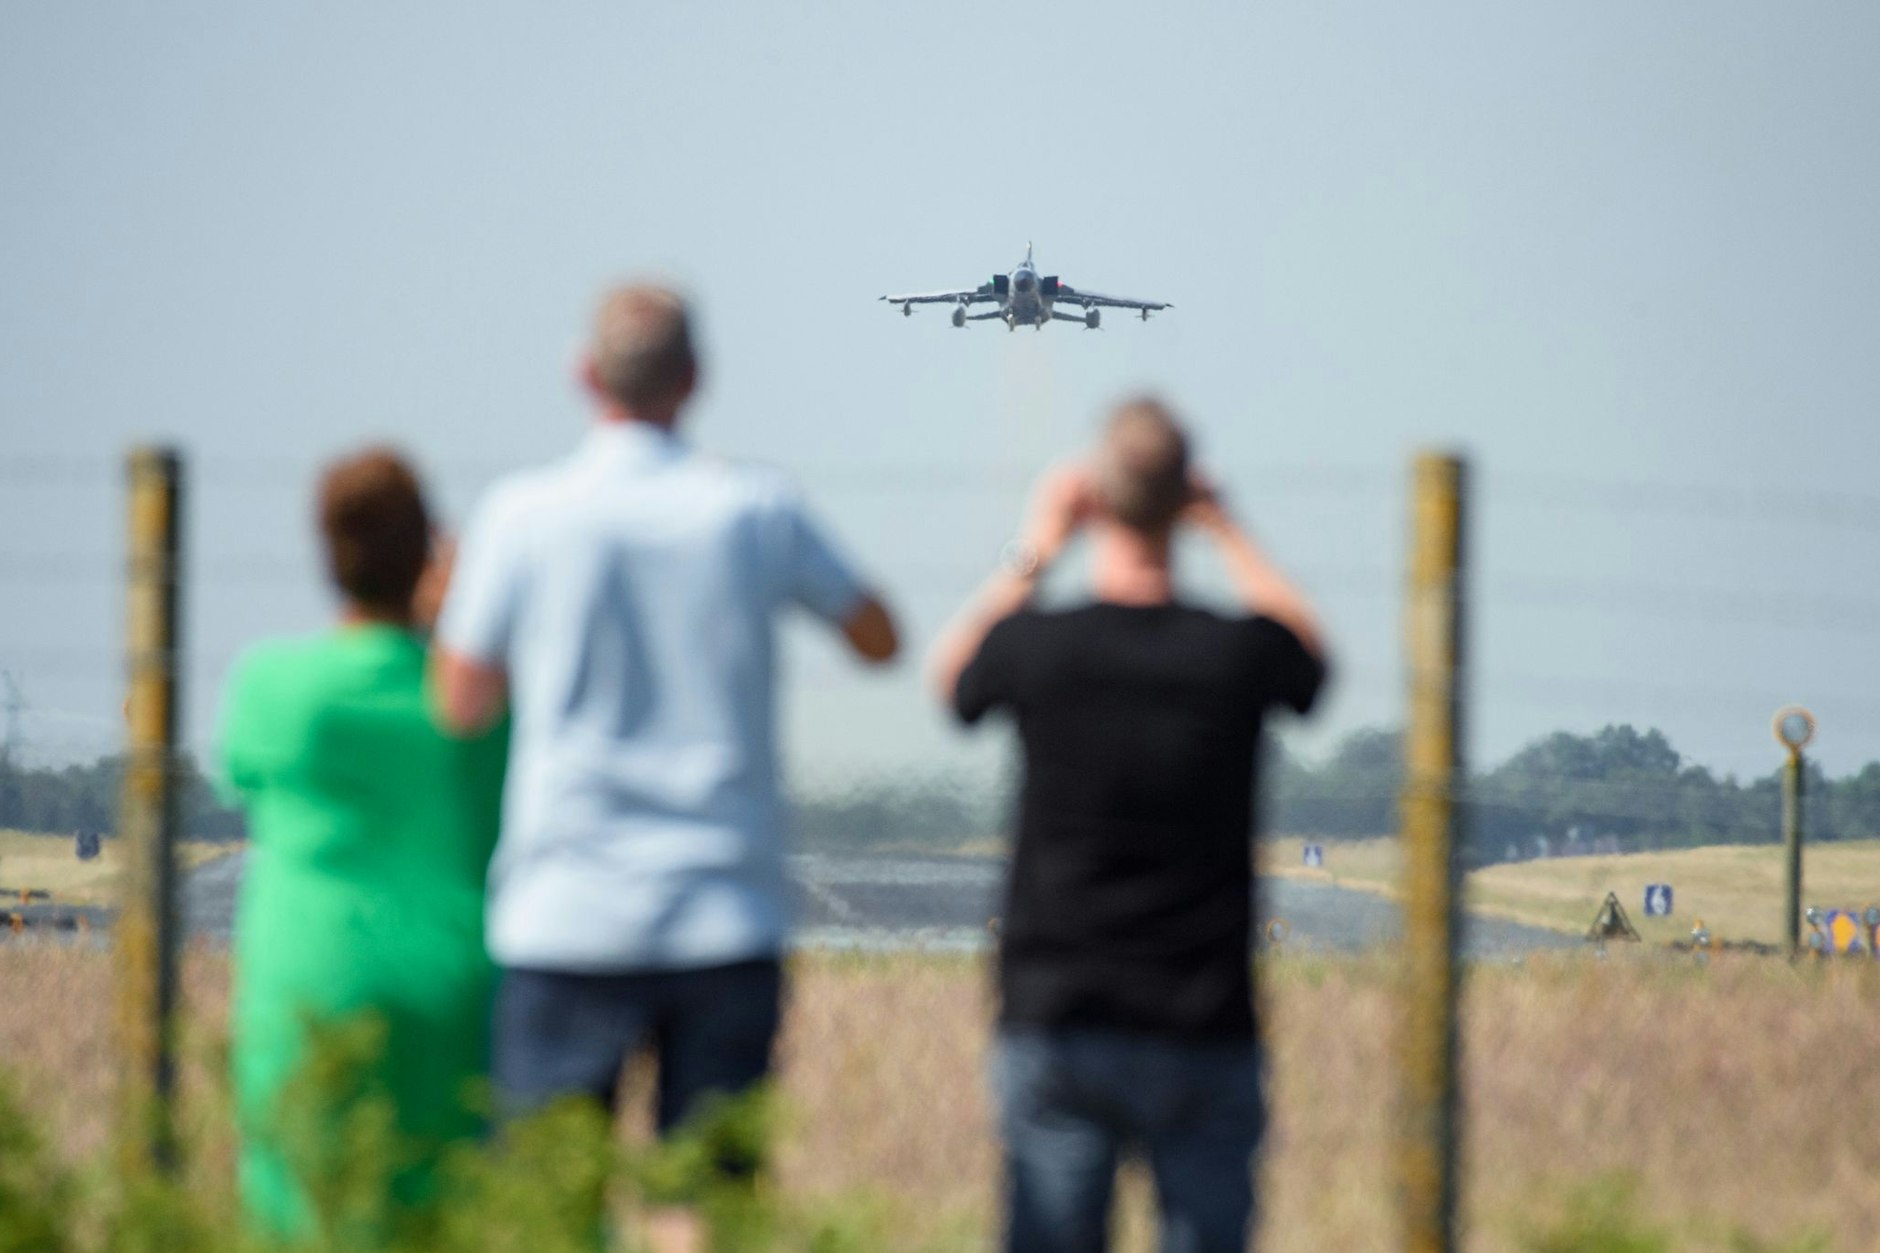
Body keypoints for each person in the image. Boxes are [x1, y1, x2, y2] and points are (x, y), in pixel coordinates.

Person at [430, 286, 898, 1221]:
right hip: (722, 916)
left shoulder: (521, 513)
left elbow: (459, 702)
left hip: (563, 916)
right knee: (705, 1208)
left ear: (582, 373)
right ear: (696, 379)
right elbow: (879, 635)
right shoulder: (755, 506)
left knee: (550, 1209)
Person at [931, 398, 1329, 1253]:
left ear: (1095, 499)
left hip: (1060, 1015)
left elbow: (952, 675)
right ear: (1186, 496)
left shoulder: (1040, 644)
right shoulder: (1237, 651)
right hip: (1205, 1018)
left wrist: (1037, 539)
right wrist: (1228, 528)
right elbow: (1312, 657)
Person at [218, 450, 508, 1241]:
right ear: (427, 556)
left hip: (307, 985)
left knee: (300, 1210)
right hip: (451, 986)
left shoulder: (270, 686)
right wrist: (447, 623)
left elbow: (237, 773)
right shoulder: (478, 708)